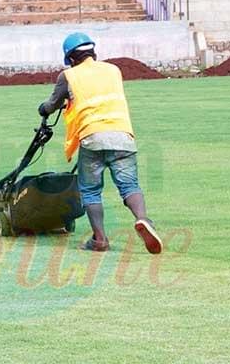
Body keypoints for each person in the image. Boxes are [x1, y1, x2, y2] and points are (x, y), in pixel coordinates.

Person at [38, 32, 162, 254]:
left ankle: (100, 240)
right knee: (129, 185)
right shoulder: (114, 70)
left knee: (91, 190)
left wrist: (43, 109)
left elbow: (53, 104)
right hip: (123, 134)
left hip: (93, 137)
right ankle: (144, 220)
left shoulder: (69, 75)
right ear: (93, 53)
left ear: (71, 58)